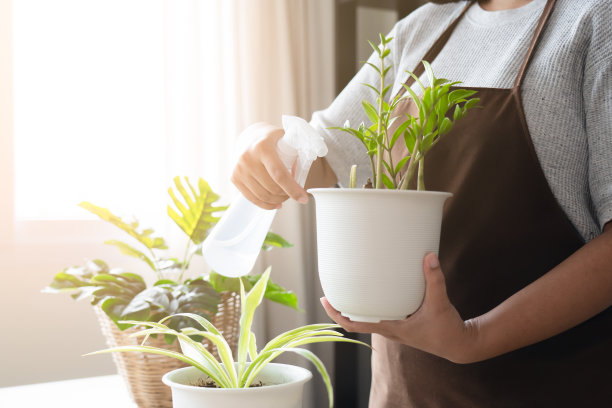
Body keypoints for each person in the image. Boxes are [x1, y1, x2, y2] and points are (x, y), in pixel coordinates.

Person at [231, 0, 612, 406]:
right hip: (403, 390)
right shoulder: (424, 28)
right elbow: (322, 158)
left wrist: (474, 337)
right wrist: (257, 141)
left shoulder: (593, 20)